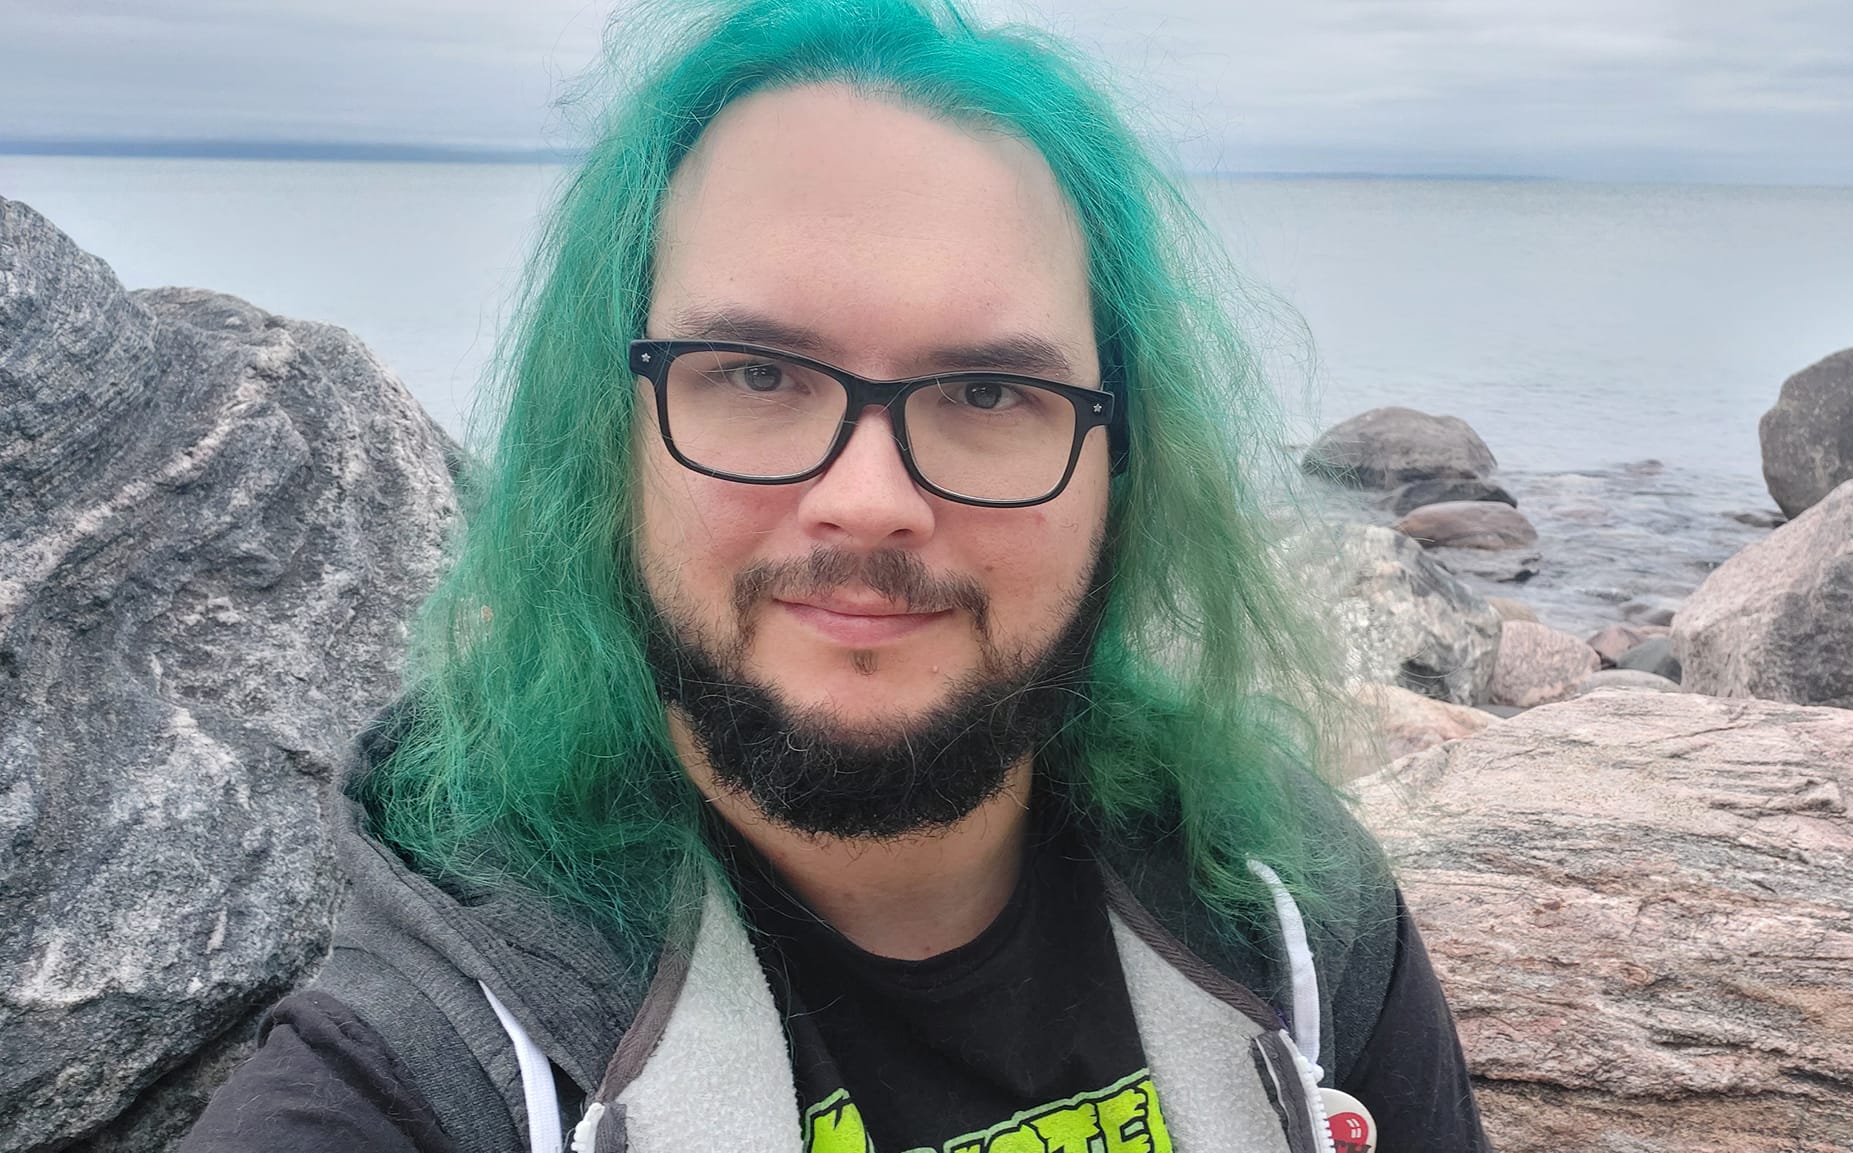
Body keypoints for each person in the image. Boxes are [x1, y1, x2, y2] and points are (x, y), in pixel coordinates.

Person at [183, 1, 1490, 1150]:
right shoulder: (444, 1065)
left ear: (1122, 465)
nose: (868, 497)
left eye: (990, 388)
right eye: (757, 374)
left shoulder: (1293, 916)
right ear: (612, 441)